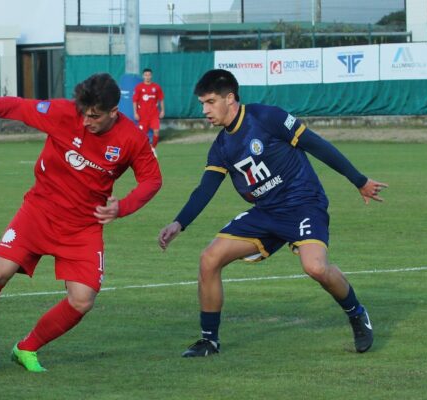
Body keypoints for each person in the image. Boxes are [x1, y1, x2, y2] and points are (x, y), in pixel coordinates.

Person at [158, 69, 388, 357]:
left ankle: (356, 313)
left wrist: (360, 181)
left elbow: (317, 145)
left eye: (210, 102)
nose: (204, 110)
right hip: (266, 213)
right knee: (209, 259)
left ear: (230, 99)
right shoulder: (221, 146)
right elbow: (205, 189)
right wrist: (179, 223)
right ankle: (209, 341)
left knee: (315, 267)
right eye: (202, 103)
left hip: (304, 203)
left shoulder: (267, 118)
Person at [0, 73, 162, 372]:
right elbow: (19, 107)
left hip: (83, 226)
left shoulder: (131, 138)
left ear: (114, 111)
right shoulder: (63, 113)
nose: (86, 122)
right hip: (39, 211)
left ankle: (26, 348)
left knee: (82, 300)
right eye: (83, 114)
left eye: (95, 116)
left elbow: (152, 179)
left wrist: (122, 207)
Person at [132, 68, 165, 153]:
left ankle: (153, 148)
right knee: (141, 135)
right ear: (143, 76)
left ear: (151, 76)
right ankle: (142, 150)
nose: (147, 77)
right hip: (143, 115)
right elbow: (135, 101)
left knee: (156, 131)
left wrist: (162, 111)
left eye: (149, 75)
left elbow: (161, 99)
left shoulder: (156, 87)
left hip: (154, 114)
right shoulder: (139, 87)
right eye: (146, 75)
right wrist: (135, 112)